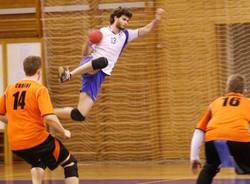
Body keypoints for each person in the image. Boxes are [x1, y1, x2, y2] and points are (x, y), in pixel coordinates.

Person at [55, 7, 165, 122]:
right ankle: (68, 74)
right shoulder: (102, 32)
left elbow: (146, 29)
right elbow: (85, 54)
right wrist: (88, 42)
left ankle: (50, 112)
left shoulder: (126, 35)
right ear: (115, 17)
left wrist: (156, 19)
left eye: (127, 21)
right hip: (91, 63)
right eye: (124, 19)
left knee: (79, 115)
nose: (126, 22)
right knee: (102, 61)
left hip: (100, 74)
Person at [0, 56, 79, 184]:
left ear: (25, 70)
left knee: (38, 162)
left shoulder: (10, 88)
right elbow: (49, 117)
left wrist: (15, 121)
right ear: (39, 71)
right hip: (36, 140)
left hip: (16, 143)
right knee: (70, 163)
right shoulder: (39, 89)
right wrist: (64, 132)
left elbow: (0, 113)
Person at [190, 74, 250, 184]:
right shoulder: (248, 102)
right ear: (244, 90)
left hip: (213, 139)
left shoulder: (215, 103)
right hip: (239, 139)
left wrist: (194, 156)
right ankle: (241, 166)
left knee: (209, 168)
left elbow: (199, 130)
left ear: (226, 89)